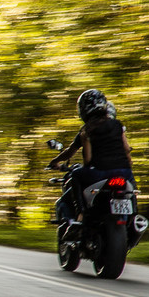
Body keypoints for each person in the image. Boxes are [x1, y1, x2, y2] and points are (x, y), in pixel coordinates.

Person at [48, 88, 135, 222]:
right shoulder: (117, 125)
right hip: (124, 172)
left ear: (83, 109)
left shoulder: (87, 129)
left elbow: (87, 158)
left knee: (76, 175)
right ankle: (133, 216)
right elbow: (127, 149)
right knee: (131, 187)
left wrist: (55, 161)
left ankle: (80, 213)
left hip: (101, 173)